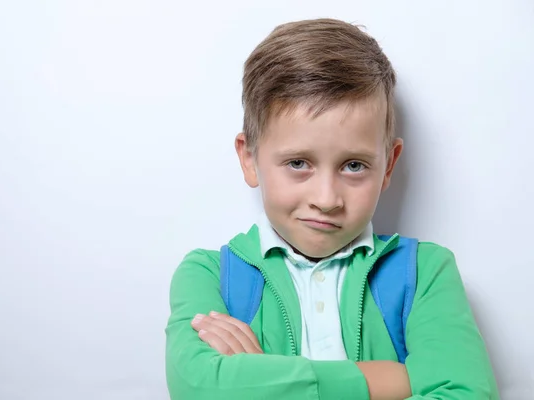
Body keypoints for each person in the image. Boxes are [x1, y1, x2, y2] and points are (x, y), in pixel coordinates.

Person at [165, 18, 499, 399]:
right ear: (249, 159)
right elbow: (201, 387)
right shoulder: (208, 275)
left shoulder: (425, 272)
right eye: (298, 163)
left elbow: (467, 394)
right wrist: (391, 380)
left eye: (353, 165)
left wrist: (261, 380)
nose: (326, 199)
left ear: (388, 165)